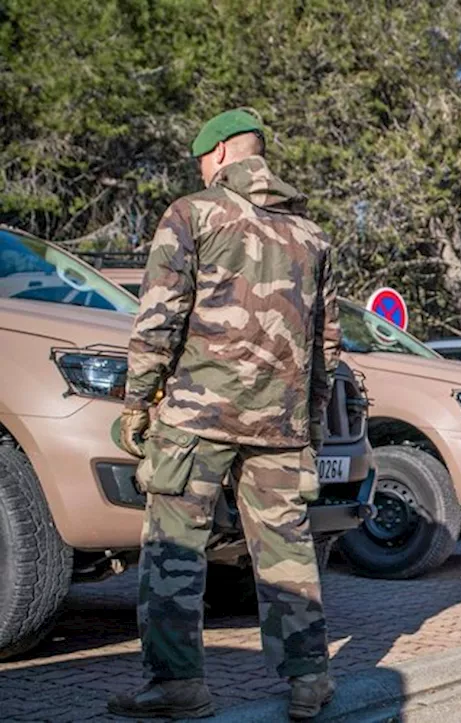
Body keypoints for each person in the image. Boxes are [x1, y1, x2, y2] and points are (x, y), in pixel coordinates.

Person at [108, 109, 341, 720]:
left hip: (197, 418)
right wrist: (311, 424)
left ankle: (177, 684)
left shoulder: (191, 214)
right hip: (281, 426)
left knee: (173, 550)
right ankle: (310, 678)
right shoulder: (311, 236)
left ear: (216, 157)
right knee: (287, 552)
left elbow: (159, 317)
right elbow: (326, 347)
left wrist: (137, 403)